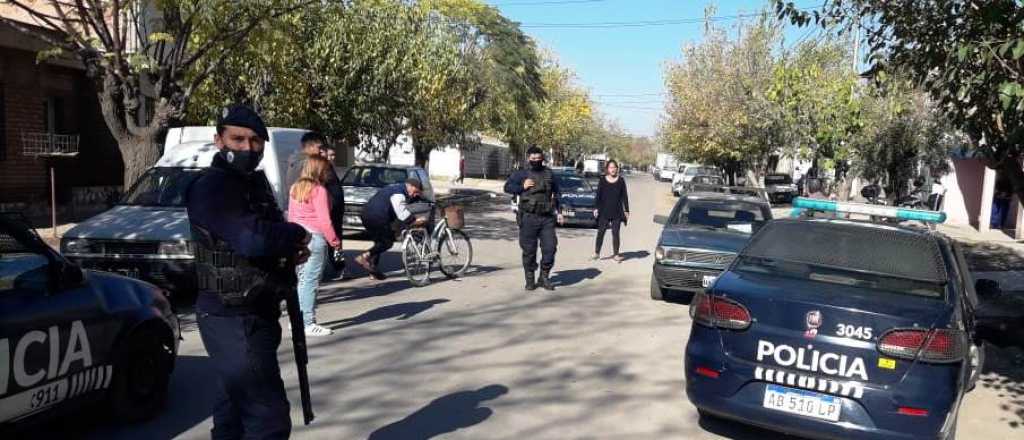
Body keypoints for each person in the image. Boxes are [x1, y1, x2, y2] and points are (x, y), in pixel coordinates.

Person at [186, 105, 311, 439]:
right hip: (231, 316)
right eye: (237, 139)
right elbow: (251, 239)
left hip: (255, 310)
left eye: (255, 141)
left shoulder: (252, 185)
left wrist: (287, 252)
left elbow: (263, 236)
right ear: (219, 140)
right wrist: (296, 234)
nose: (246, 147)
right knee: (267, 420)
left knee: (233, 413)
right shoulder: (214, 186)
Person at [288, 155, 342, 337]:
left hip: (298, 237)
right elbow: (325, 220)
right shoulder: (319, 190)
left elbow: (292, 217)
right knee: (310, 282)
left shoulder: (295, 188)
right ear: (319, 170)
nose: (328, 173)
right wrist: (335, 241)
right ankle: (308, 323)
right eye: (326, 170)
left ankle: (297, 319)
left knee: (300, 280)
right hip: (315, 238)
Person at [504, 146, 563, 291]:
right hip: (528, 217)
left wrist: (560, 212)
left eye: (538, 158)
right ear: (528, 158)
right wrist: (521, 187)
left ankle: (544, 277)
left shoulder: (549, 174)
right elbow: (507, 187)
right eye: (533, 158)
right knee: (529, 250)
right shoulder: (522, 173)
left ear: (542, 158)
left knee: (550, 248)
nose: (536, 160)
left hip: (547, 218)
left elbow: (558, 193)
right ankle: (529, 278)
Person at [355, 178, 427, 280]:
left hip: (366, 214)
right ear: (409, 186)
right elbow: (401, 213)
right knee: (387, 243)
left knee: (379, 242)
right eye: (416, 192)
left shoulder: (394, 188)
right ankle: (364, 257)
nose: (415, 195)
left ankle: (373, 270)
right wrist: (414, 220)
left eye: (418, 193)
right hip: (378, 217)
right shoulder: (399, 193)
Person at [593, 160, 630, 262]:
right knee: (601, 232)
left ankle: (616, 254)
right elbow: (598, 195)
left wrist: (627, 210)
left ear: (617, 169)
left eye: (614, 167)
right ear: (607, 169)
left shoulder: (621, 181)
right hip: (604, 211)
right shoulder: (602, 180)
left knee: (616, 233)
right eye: (610, 167)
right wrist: (596, 208)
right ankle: (597, 253)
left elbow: (624, 197)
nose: (612, 169)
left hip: (617, 212)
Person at [319, 144, 346, 278]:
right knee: (333, 241)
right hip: (330, 212)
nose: (332, 157)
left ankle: (339, 267)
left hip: (337, 212)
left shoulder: (330, 169)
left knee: (337, 240)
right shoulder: (323, 170)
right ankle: (338, 267)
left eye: (334, 155)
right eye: (330, 155)